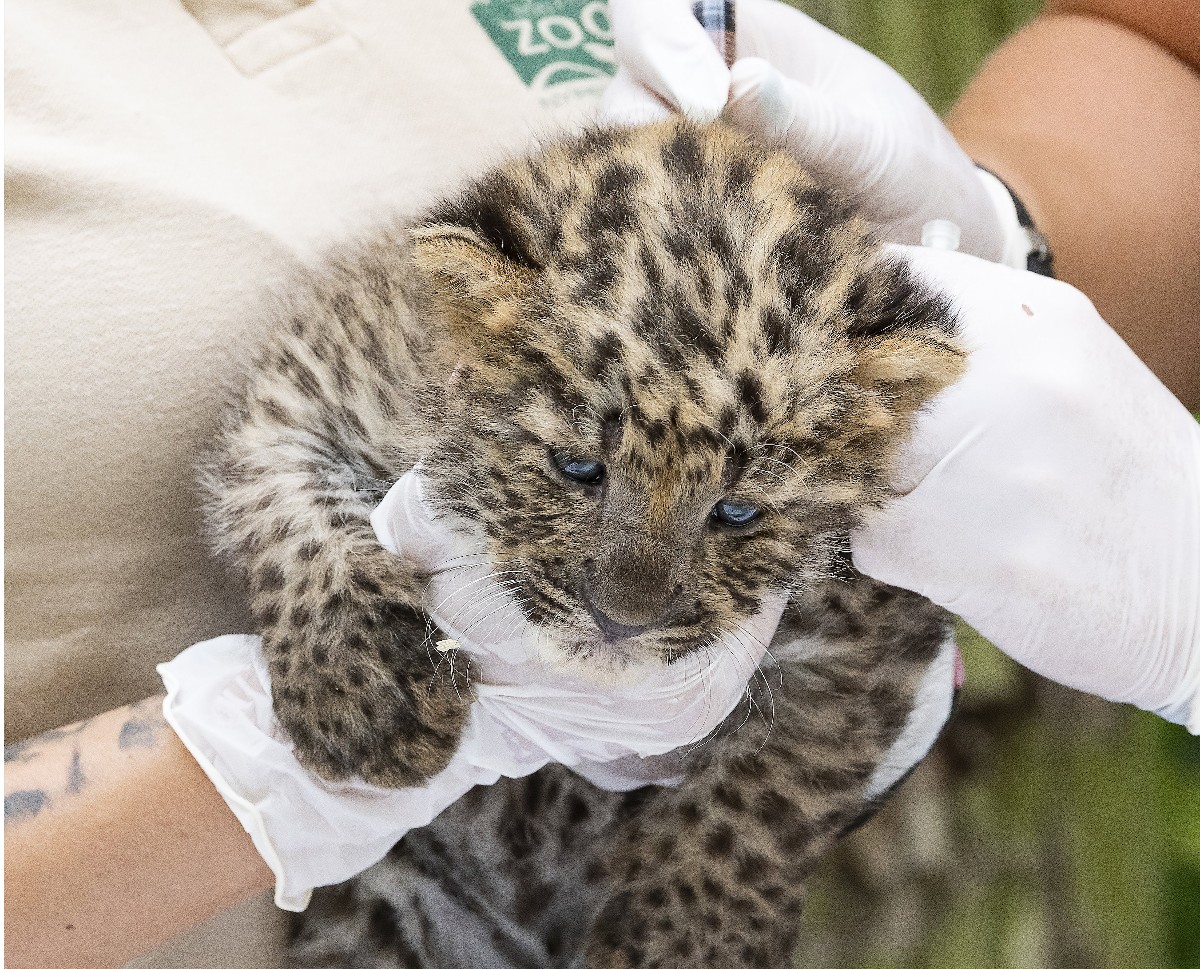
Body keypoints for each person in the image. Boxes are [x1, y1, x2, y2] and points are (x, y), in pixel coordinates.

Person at [5, 1, 1197, 968]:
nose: (633, 595)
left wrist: (1005, 227)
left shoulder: (825, 421)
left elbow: (1156, 46)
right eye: (579, 468)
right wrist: (251, 751)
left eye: (735, 512)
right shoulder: (410, 331)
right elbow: (286, 427)